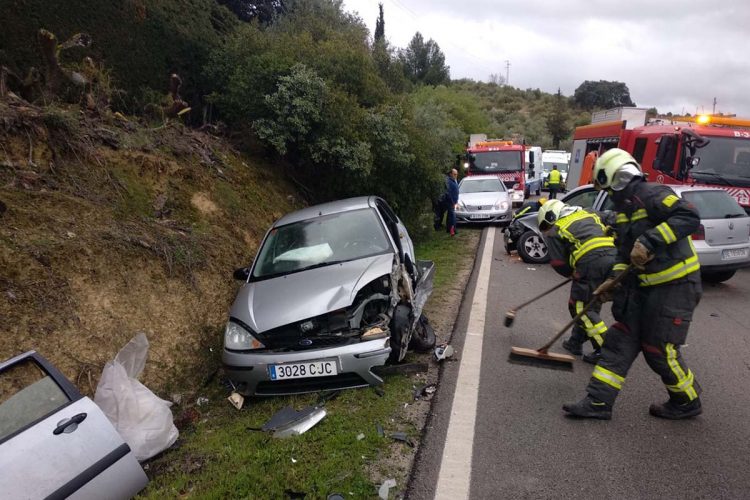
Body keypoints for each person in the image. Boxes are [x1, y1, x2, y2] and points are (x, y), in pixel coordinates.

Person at [563, 148, 703, 420]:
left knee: (657, 349)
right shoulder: (624, 212)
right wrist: (611, 283)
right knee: (618, 342)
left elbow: (688, 216)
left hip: (675, 287)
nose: (610, 194)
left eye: (607, 186)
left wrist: (651, 240)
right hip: (641, 290)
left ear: (615, 177)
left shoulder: (653, 194)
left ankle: (687, 400)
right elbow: (623, 255)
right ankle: (598, 403)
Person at [537, 199, 616, 364]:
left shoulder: (556, 229)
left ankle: (606, 351)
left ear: (551, 216)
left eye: (545, 225)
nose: (546, 230)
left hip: (590, 263)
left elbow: (558, 263)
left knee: (579, 306)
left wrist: (573, 272)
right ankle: (575, 342)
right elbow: (612, 219)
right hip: (615, 259)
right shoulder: (589, 212)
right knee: (591, 303)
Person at [434, 169, 460, 235]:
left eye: (456, 174)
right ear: (451, 174)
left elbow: (455, 191)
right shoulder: (448, 181)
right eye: (454, 174)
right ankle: (453, 229)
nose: (456, 176)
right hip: (450, 202)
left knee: (450, 215)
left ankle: (449, 229)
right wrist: (452, 202)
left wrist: (456, 201)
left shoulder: (454, 181)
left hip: (454, 201)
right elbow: (448, 193)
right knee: (452, 215)